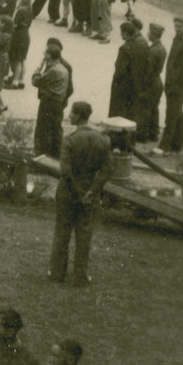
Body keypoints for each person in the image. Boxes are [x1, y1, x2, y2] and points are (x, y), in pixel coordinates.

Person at [51, 101, 113, 285]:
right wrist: (91, 191)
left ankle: (57, 273)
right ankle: (80, 275)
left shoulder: (70, 140)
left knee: (62, 233)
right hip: (90, 196)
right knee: (84, 235)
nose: (69, 116)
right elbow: (108, 169)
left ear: (79, 116)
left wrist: (79, 192)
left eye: (72, 113)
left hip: (68, 194)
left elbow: (66, 171)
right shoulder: (102, 140)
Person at [31, 38, 74, 159]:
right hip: (56, 101)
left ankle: (44, 155)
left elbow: (36, 81)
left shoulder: (57, 67)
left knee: (45, 130)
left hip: (51, 101)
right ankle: (53, 155)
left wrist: (39, 67)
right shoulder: (62, 66)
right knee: (54, 129)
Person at [162, 17, 183, 153]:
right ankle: (177, 144)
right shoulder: (177, 39)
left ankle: (165, 146)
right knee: (177, 114)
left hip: (177, 86)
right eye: (175, 26)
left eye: (180, 26)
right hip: (172, 84)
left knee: (171, 116)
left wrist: (174, 84)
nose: (177, 29)